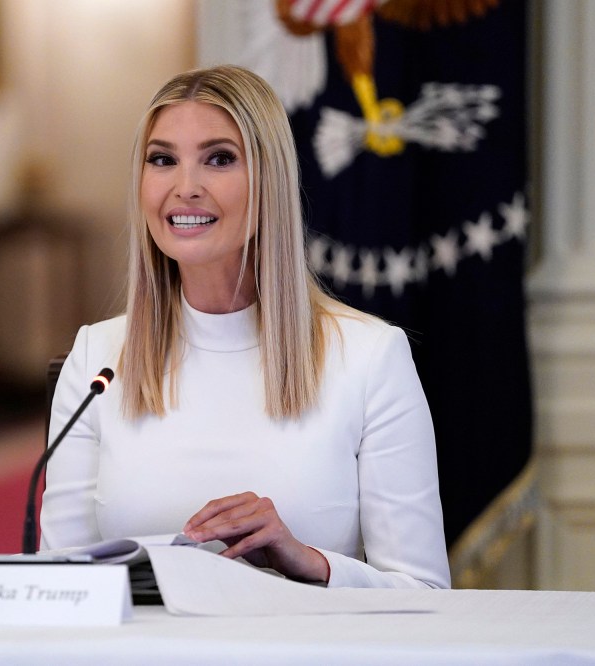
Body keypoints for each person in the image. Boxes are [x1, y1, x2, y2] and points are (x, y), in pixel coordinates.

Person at [39, 65, 450, 589]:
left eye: (219, 159)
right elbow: (55, 584)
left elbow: (425, 595)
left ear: (268, 180)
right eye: (162, 159)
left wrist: (308, 562)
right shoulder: (98, 357)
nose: (185, 187)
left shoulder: (371, 358)